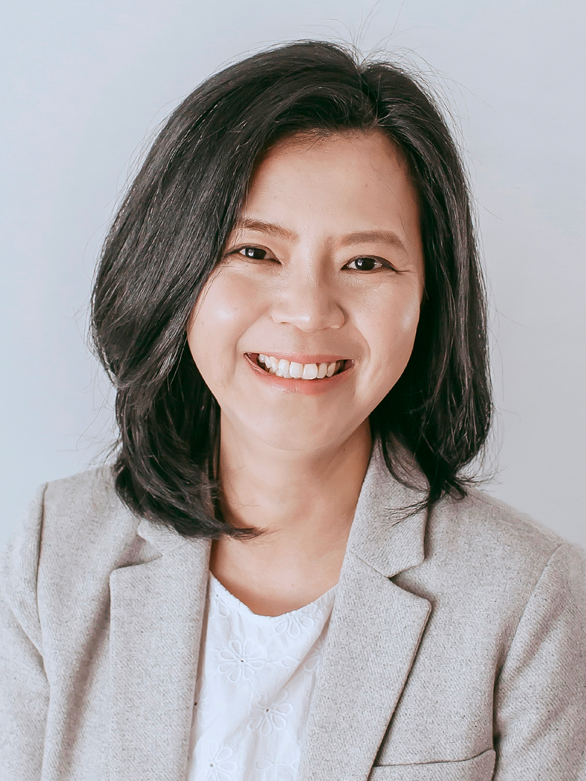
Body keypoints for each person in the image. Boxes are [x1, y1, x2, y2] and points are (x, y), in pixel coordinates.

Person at [0, 39, 584, 781]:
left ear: (430, 296)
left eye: (366, 262)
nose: (308, 312)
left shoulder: (528, 596)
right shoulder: (55, 551)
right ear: (174, 269)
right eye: (255, 252)